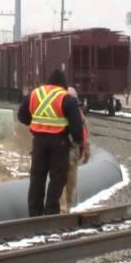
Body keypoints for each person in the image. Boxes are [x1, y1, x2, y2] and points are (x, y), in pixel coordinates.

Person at [18, 69, 83, 216]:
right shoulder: (66, 98)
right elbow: (76, 127)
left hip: (39, 142)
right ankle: (51, 211)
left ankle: (34, 212)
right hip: (59, 143)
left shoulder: (35, 94)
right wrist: (77, 141)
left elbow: (22, 116)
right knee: (58, 177)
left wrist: (35, 123)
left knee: (37, 176)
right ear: (63, 84)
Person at [59, 87, 90, 214]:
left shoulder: (80, 115)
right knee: (61, 180)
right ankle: (62, 208)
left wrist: (86, 149)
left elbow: (84, 133)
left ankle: (67, 207)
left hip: (73, 151)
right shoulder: (59, 112)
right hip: (62, 150)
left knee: (71, 182)